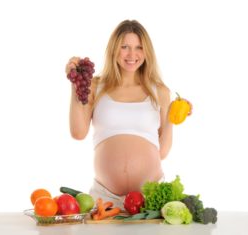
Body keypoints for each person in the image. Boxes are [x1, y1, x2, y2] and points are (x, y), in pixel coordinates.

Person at [65, 20, 187, 209]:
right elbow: (78, 133)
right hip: (104, 199)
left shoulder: (160, 91)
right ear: (114, 49)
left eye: (139, 47)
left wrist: (172, 117)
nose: (132, 55)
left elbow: (161, 152)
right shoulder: (96, 86)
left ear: (147, 51)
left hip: (150, 200)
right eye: (125, 47)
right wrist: (76, 83)